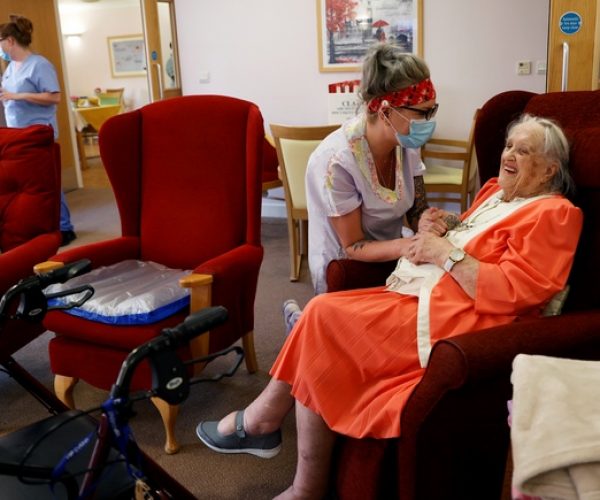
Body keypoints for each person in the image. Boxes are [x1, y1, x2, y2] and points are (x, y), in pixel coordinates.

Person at [197, 114, 583, 499]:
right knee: (322, 314)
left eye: (524, 149)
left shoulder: (557, 213)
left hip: (461, 317)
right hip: (425, 293)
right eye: (509, 145)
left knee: (319, 316)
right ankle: (279, 443)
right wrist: (445, 224)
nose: (510, 154)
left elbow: (519, 288)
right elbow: (475, 235)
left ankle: (283, 455)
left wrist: (445, 252)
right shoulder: (497, 191)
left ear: (550, 170)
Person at [283, 42, 444, 332]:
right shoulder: (337, 162)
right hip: (348, 263)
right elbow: (354, 245)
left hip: (392, 252)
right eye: (422, 113)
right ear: (385, 111)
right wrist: (409, 244)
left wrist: (426, 222)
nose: (428, 123)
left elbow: (416, 208)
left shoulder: (405, 143)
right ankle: (306, 325)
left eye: (431, 111)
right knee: (345, 340)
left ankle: (303, 324)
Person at [0, 15, 76, 246]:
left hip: (39, 134)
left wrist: (18, 95)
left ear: (10, 41)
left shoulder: (39, 65)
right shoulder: (11, 67)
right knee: (30, 188)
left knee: (48, 183)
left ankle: (64, 228)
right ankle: (39, 229)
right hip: (17, 136)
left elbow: (55, 97)